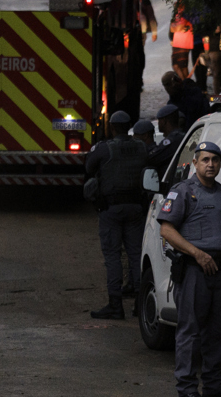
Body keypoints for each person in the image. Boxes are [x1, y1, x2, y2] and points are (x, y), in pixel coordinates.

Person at [158, 142, 221, 397]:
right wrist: (197, 253)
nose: (210, 164)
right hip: (194, 271)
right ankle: (187, 390)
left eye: (215, 160)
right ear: (195, 163)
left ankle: (214, 386)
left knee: (219, 332)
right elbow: (166, 229)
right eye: (205, 160)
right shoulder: (183, 191)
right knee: (190, 332)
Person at [85, 110, 147, 319]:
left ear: (111, 127)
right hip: (136, 207)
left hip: (111, 209)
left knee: (112, 256)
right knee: (136, 254)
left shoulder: (104, 148)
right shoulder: (142, 147)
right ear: (129, 126)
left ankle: (115, 304)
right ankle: (140, 304)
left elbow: (89, 166)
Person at [148, 104, 186, 178]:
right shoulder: (180, 136)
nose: (158, 123)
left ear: (164, 121)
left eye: (159, 121)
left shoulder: (172, 139)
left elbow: (152, 158)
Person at [170, 0, 194, 80]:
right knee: (175, 65)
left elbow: (177, 27)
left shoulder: (186, 14)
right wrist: (175, 27)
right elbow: (172, 29)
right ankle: (185, 82)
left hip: (184, 42)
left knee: (183, 65)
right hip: (177, 42)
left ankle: (186, 84)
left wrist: (175, 26)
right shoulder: (177, 15)